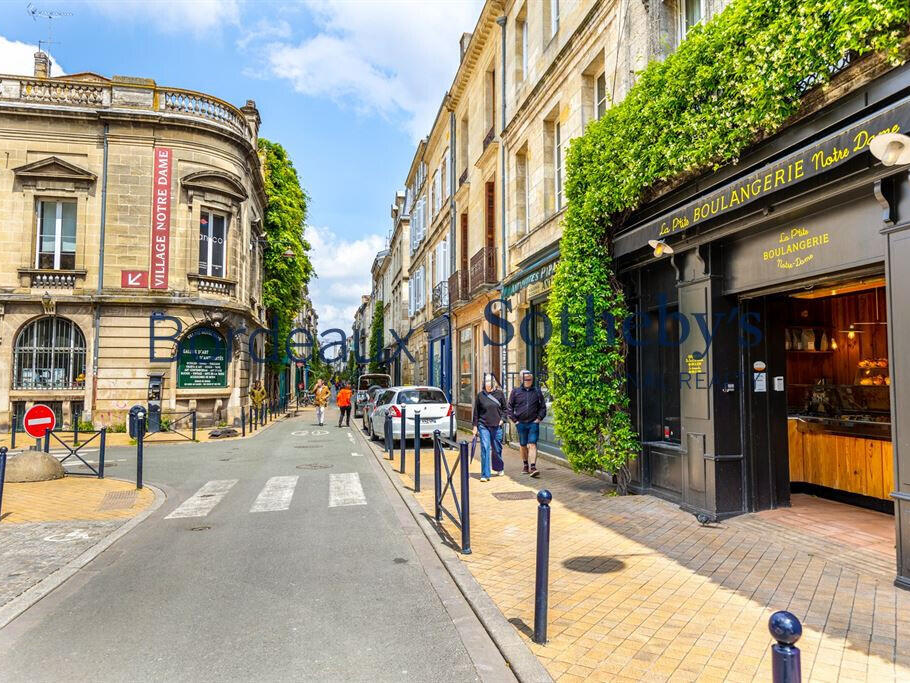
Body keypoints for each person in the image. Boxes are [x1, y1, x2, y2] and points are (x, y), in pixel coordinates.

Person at [507, 369, 547, 477]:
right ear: (521, 379)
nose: (529, 381)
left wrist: (538, 419)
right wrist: (515, 421)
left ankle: (533, 467)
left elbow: (543, 407)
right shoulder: (516, 392)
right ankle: (525, 465)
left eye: (530, 379)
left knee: (533, 444)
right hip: (521, 423)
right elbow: (509, 407)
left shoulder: (537, 392)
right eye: (526, 379)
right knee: (523, 445)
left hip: (533, 422)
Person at [472, 373, 506, 482]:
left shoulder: (500, 394)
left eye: (489, 381)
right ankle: (485, 474)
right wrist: (475, 426)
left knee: (496, 449)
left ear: (493, 383)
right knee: (485, 448)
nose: (487, 383)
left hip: (496, 425)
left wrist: (502, 420)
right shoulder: (480, 395)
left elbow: (505, 410)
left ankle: (498, 467)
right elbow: (476, 412)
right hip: (483, 425)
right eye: (485, 381)